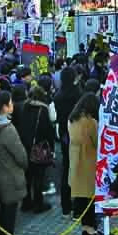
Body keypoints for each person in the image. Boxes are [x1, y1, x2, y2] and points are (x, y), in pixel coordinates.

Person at [0, 91, 28, 235]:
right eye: (10, 103)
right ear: (4, 107)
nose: (12, 105)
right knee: (8, 221)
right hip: (10, 179)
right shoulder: (8, 130)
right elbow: (21, 157)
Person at [68, 93, 99, 235]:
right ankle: (90, 229)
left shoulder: (72, 119)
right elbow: (97, 143)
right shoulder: (91, 122)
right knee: (90, 198)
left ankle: (85, 227)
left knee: (80, 196)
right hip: (89, 162)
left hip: (76, 162)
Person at [19, 86, 54, 213]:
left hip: (25, 146)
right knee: (39, 176)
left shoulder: (24, 107)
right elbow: (47, 131)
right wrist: (51, 147)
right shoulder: (43, 110)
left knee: (27, 176)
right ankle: (38, 204)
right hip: (39, 147)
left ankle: (26, 202)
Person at [53, 67, 82, 217]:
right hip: (78, 135)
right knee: (79, 170)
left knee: (67, 169)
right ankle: (78, 208)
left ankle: (66, 206)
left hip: (65, 134)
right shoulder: (77, 94)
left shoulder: (58, 95)